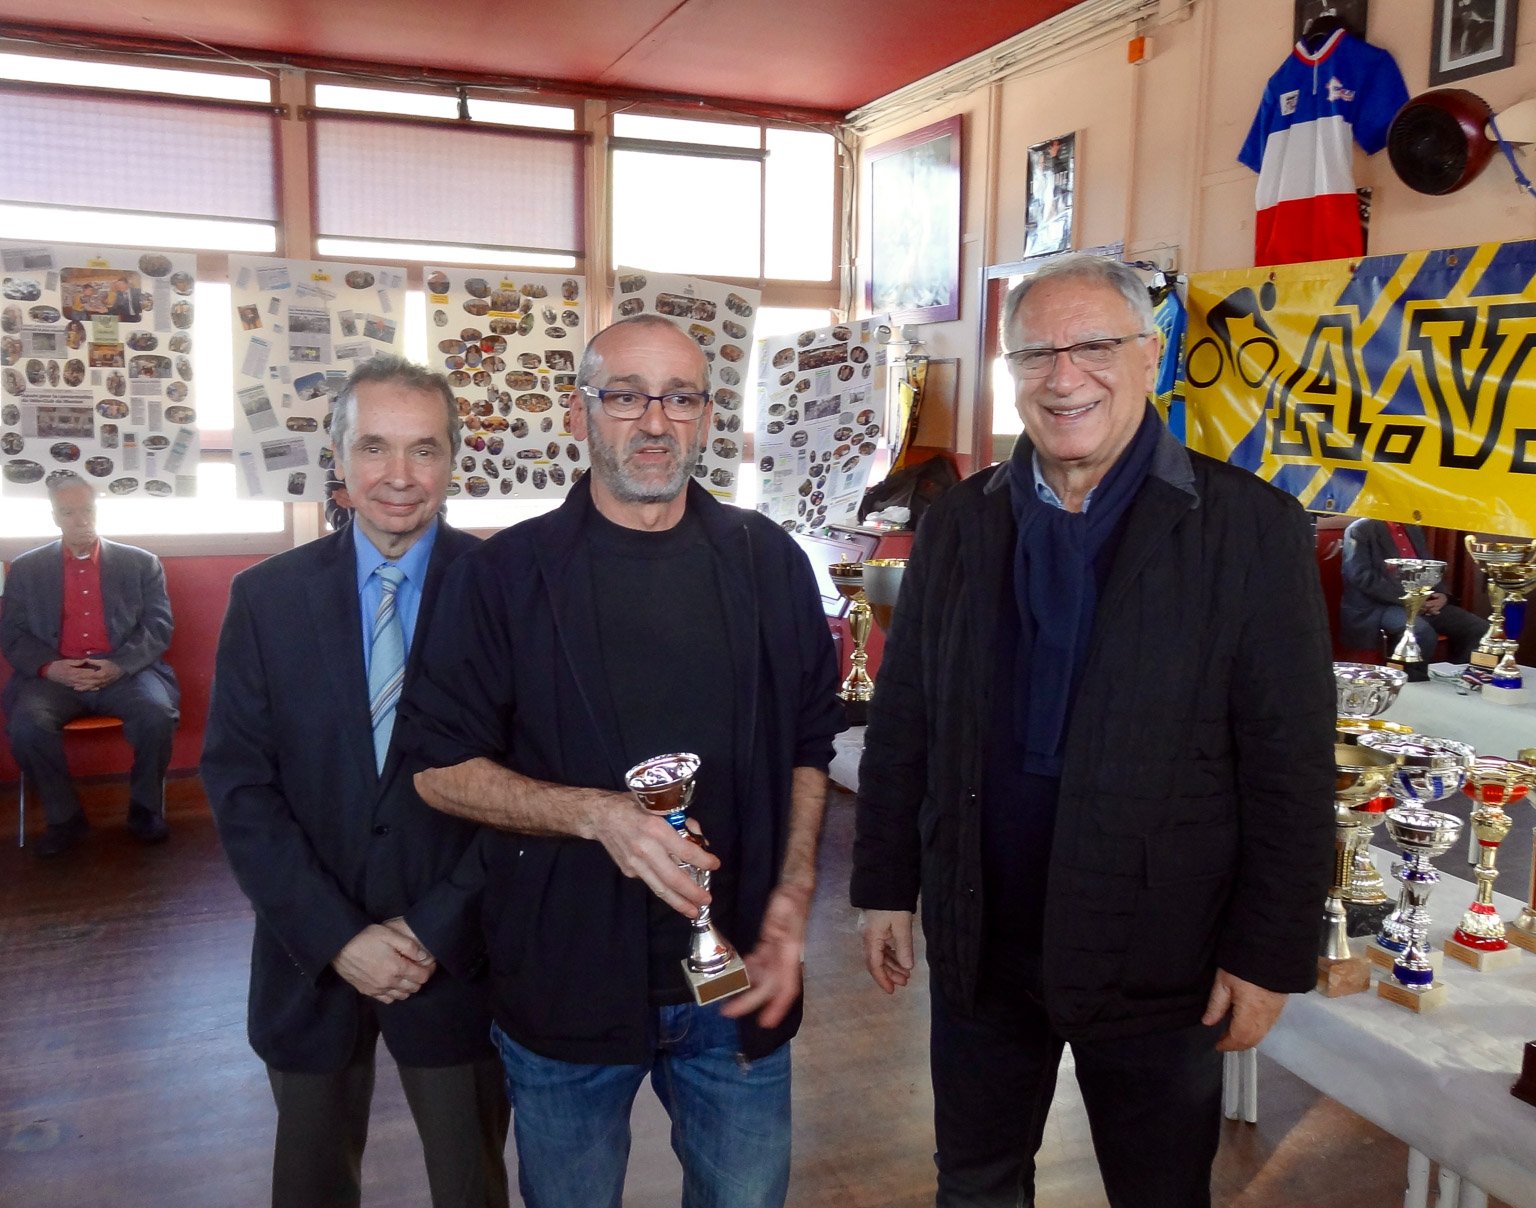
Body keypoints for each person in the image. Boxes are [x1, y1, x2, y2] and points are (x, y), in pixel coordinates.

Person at [851, 254, 1335, 1208]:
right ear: (1011, 372)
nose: (1064, 377)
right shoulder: (962, 522)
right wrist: (883, 888)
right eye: (1036, 354)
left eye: (1095, 347)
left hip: (1161, 953)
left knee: (1158, 1192)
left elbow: (1289, 769)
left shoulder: (1249, 530)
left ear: (1151, 356)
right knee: (975, 1184)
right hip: (982, 936)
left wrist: (1268, 953)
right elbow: (904, 722)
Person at [397, 314, 843, 1208]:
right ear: (579, 413)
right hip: (564, 977)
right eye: (626, 397)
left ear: (707, 417)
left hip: (737, 982)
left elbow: (808, 748)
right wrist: (598, 815)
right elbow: (436, 768)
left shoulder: (768, 562)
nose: (655, 421)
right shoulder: (502, 575)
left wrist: (793, 896)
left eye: (680, 398)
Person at [201, 356, 509, 1208]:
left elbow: (528, 788)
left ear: (453, 461)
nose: (399, 475)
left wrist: (433, 928)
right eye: (374, 447)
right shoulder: (265, 599)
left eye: (424, 449)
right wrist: (339, 937)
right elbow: (240, 788)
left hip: (454, 957)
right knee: (309, 1186)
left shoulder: (508, 592)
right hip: (309, 958)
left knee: (471, 1185)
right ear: (338, 457)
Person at [2, 472, 178, 856]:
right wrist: (51, 668)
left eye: (87, 510)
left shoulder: (141, 563)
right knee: (27, 727)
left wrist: (119, 666)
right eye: (69, 513)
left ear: (97, 509)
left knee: (157, 715)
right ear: (55, 517)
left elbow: (158, 627)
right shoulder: (26, 569)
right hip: (55, 675)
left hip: (122, 671)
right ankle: (65, 818)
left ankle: (145, 809)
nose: (80, 520)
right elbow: (12, 635)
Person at [1339, 517, 1487, 663]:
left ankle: (1454, 675)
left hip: (1423, 600)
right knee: (1420, 634)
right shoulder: (1359, 529)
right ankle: (1411, 678)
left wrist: (1442, 595)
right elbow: (1362, 577)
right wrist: (1411, 599)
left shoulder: (1412, 527)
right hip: (1380, 606)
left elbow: (1429, 566)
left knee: (1479, 629)